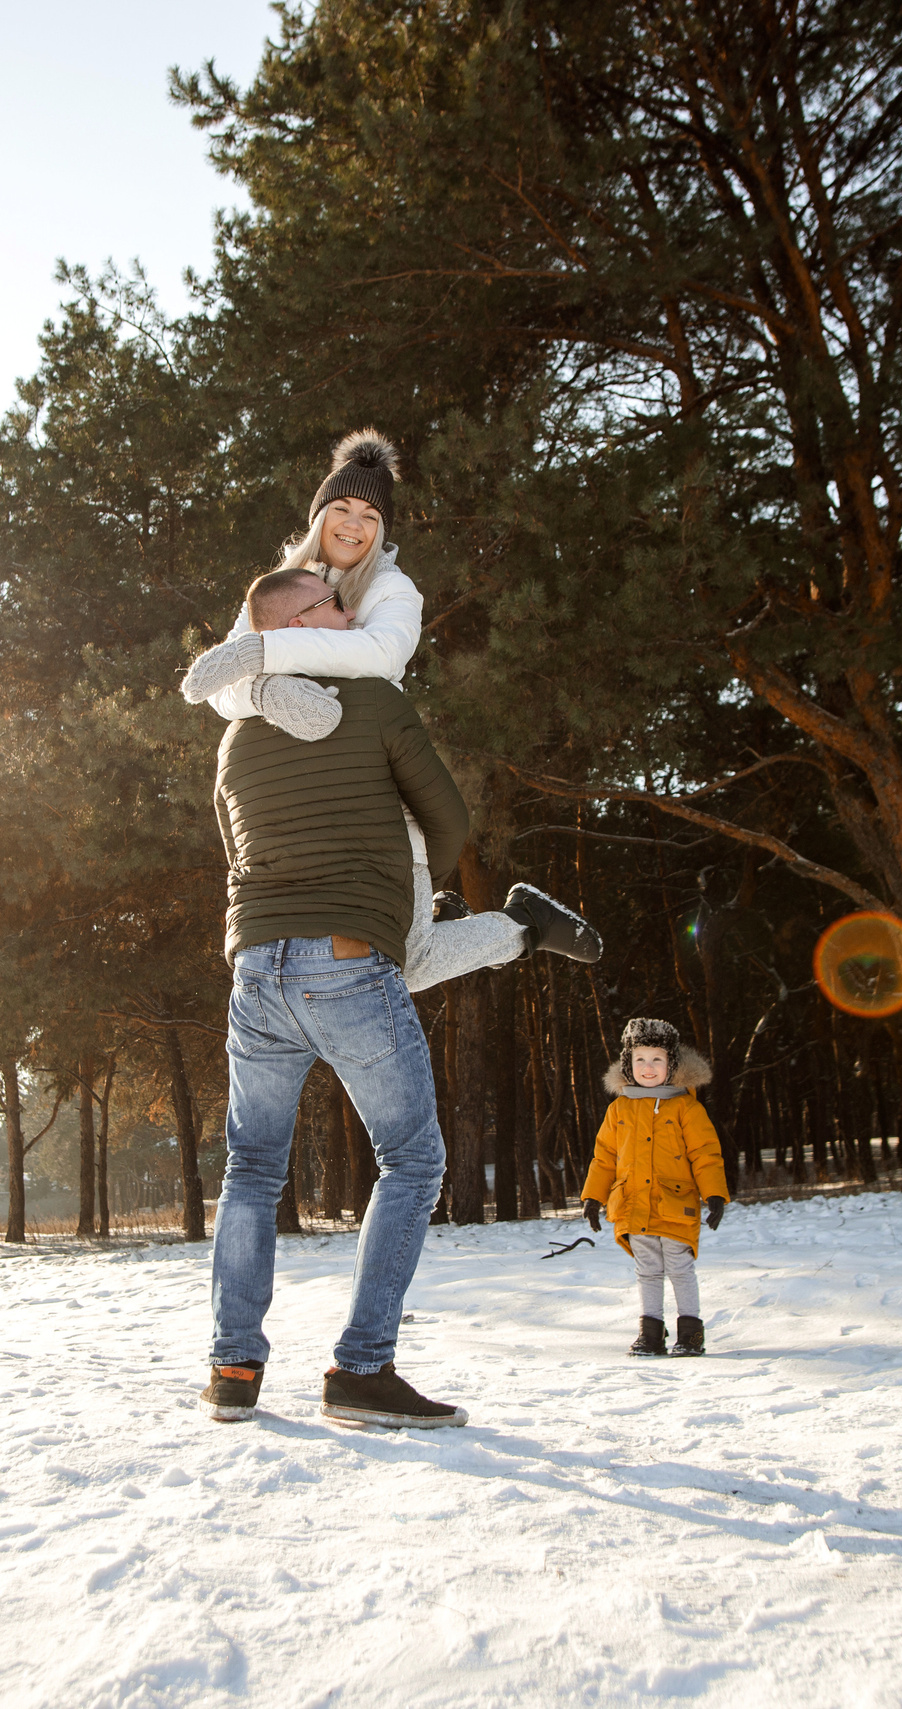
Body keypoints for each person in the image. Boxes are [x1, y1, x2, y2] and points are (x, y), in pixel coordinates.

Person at [179, 428, 600, 987]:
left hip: (372, 782)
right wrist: (263, 692)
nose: (354, 525)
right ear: (319, 514)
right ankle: (454, 920)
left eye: (371, 517)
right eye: (342, 508)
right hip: (304, 801)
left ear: (382, 531)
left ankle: (525, 923)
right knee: (384, 956)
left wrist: (263, 653)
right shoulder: (274, 586)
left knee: (406, 964)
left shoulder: (392, 588)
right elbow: (219, 689)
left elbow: (381, 654)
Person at [199, 573, 474, 1428]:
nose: (350, 614)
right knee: (413, 1159)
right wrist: (408, 900)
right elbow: (449, 821)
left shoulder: (234, 737)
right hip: (348, 956)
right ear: (289, 625)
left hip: (255, 968)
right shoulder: (375, 701)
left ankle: (233, 1367)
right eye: (330, 604)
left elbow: (234, 846)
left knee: (251, 1167)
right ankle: (362, 1367)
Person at [581, 1018, 729, 1358]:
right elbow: (604, 1157)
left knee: (679, 1268)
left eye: (657, 1059)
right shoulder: (619, 1109)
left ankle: (690, 1332)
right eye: (640, 1059)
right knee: (647, 1271)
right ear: (628, 1064)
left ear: (671, 1064)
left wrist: (714, 1193)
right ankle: (650, 1332)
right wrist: (593, 1196)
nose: (648, 1068)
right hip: (633, 1205)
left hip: (675, 1203)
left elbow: (705, 1153)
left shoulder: (686, 1107)